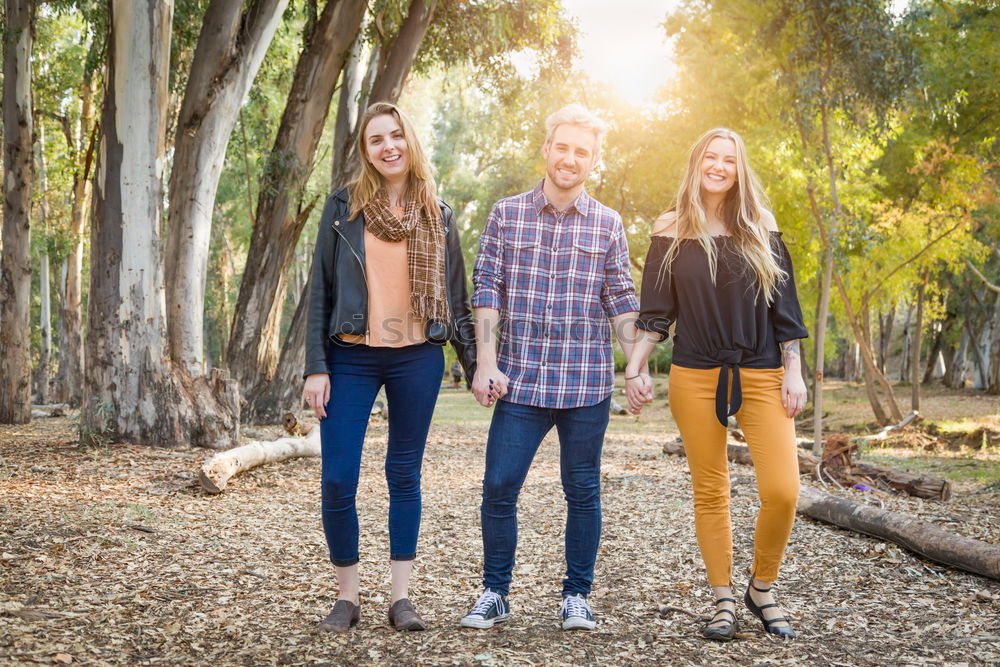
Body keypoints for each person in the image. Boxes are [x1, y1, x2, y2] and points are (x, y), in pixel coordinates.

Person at [459, 104, 646, 632]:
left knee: (582, 491)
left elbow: (622, 302)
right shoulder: (506, 213)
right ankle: (495, 591)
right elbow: (487, 290)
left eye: (581, 151)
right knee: (499, 485)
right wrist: (486, 363)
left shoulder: (608, 223)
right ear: (546, 150)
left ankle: (577, 596)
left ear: (593, 160)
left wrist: (635, 366)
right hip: (518, 381)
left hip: (584, 383)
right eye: (562, 147)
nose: (570, 158)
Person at [624, 128, 808, 641]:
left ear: (739, 167)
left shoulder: (760, 225)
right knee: (711, 490)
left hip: (762, 369)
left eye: (729, 159)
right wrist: (635, 367)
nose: (720, 166)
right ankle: (724, 598)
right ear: (697, 162)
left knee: (783, 490)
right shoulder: (671, 228)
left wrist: (793, 370)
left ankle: (762, 588)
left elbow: (785, 310)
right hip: (696, 373)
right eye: (712, 156)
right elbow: (656, 313)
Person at [303, 102, 476, 633]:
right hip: (350, 356)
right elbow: (319, 294)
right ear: (366, 151)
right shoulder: (341, 208)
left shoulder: (437, 213)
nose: (388, 147)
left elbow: (457, 300)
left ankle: (401, 599)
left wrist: (476, 367)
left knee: (404, 474)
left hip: (417, 356)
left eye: (396, 135)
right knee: (337, 479)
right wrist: (316, 366)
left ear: (409, 140)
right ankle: (348, 598)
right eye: (376, 140)